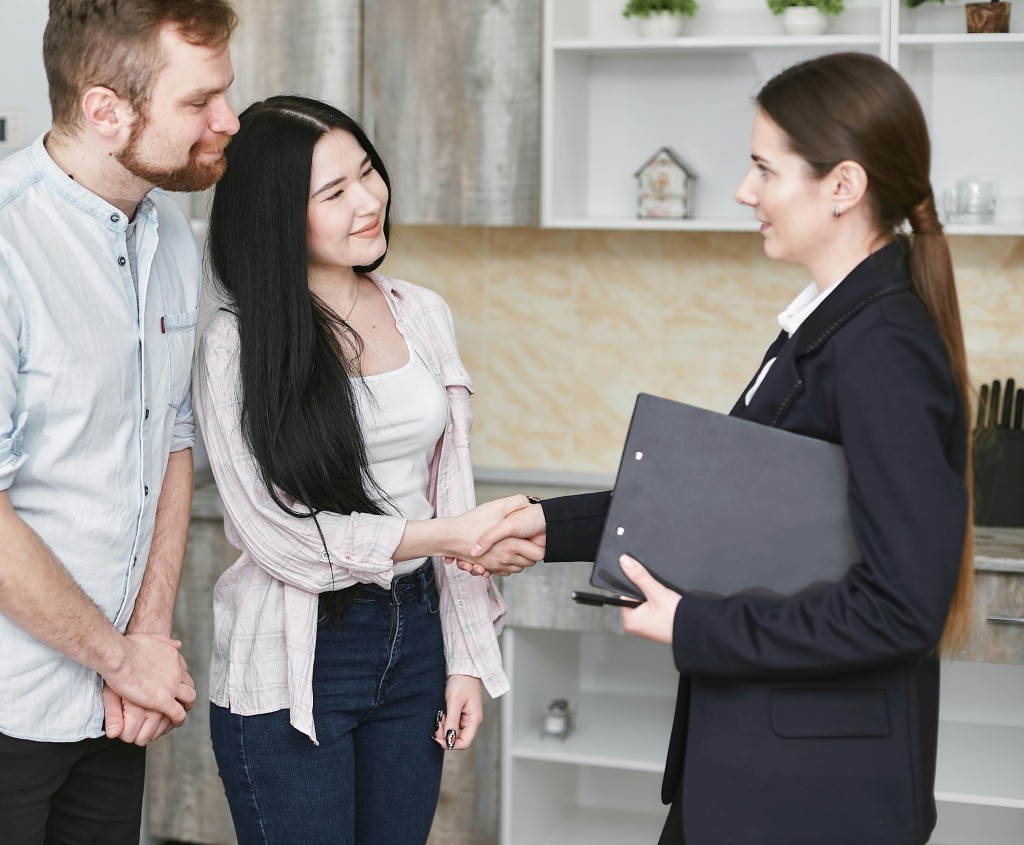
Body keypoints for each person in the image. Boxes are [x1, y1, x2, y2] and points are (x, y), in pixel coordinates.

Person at [470, 52, 974, 845]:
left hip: (818, 793)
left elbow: (901, 609)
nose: (745, 191)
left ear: (842, 186)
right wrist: (547, 527)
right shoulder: (825, 326)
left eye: (763, 169)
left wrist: (696, 625)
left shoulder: (883, 350)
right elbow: (725, 509)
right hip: (763, 771)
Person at [193, 95, 541, 845]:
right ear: (277, 215)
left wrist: (467, 660)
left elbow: (451, 487)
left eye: (368, 172)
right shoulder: (236, 345)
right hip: (295, 652)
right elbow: (277, 537)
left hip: (416, 638)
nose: (369, 199)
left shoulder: (421, 311)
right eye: (334, 191)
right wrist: (450, 534)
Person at [0, 1, 239, 842]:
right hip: (11, 699)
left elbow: (169, 436)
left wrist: (144, 638)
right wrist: (119, 656)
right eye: (198, 101)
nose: (228, 120)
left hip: (112, 704)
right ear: (106, 110)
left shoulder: (173, 235)